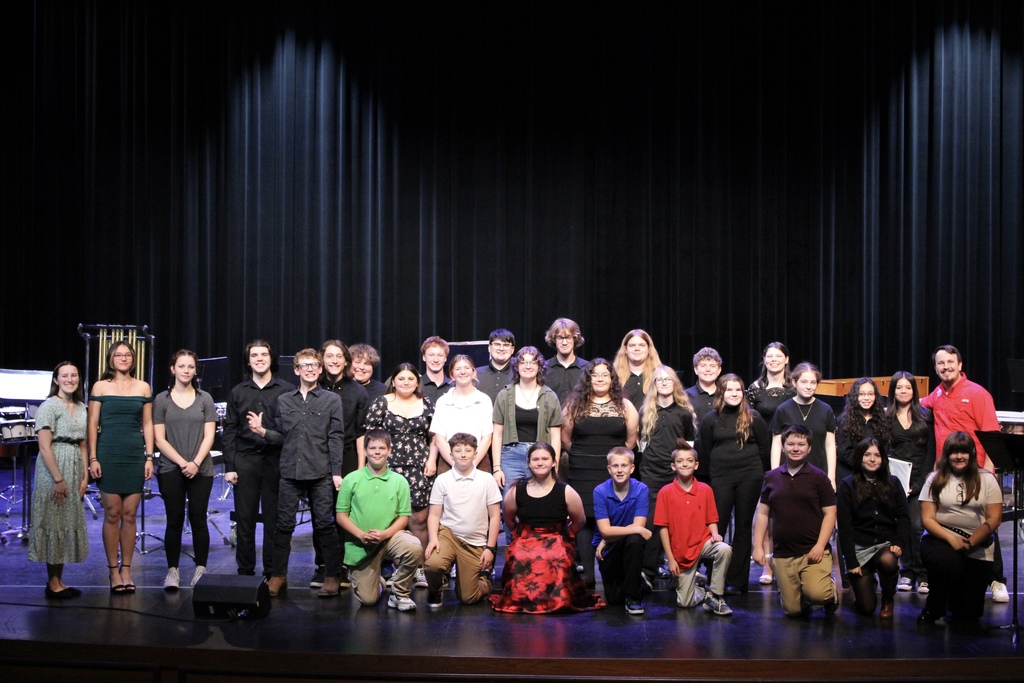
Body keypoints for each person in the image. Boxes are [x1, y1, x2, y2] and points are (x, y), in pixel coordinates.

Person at [250, 349, 345, 598]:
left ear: (320, 369)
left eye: (315, 365)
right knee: (283, 525)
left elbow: (336, 437)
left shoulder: (330, 400)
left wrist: (336, 472)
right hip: (290, 471)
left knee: (325, 524)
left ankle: (332, 576)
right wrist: (262, 432)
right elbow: (282, 436)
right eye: (305, 365)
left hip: (320, 472)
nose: (310, 369)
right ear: (296, 370)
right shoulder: (285, 400)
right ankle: (278, 576)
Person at [920, 345, 1007, 603]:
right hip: (945, 474)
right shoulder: (937, 394)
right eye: (940, 364)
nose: (945, 367)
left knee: (985, 523)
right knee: (950, 521)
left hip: (976, 472)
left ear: (960, 365)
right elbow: (914, 403)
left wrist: (989, 471)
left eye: (949, 362)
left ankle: (997, 579)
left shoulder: (977, 393)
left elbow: (991, 434)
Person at [490, 442, 605, 613]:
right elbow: (508, 519)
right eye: (535, 459)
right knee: (519, 553)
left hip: (556, 537)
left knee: (556, 554)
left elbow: (579, 521)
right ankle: (522, 599)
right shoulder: (517, 490)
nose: (540, 462)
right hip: (526, 538)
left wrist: (564, 536)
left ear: (553, 462)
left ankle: (556, 601)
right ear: (529, 463)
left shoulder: (566, 491)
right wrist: (523, 535)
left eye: (545, 458)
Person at [562, 358, 639, 587]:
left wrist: (617, 464)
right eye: (595, 375)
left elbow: (631, 440)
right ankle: (588, 575)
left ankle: (612, 573)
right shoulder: (575, 405)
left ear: (612, 379)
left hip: (613, 471)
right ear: (588, 379)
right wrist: (582, 455)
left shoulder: (625, 405)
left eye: (605, 375)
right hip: (582, 468)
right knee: (586, 519)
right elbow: (566, 438)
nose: (600, 379)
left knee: (612, 516)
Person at [221, 340, 294, 578]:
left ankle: (273, 573)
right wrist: (230, 467)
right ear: (248, 360)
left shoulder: (285, 390)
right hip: (246, 461)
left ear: (272, 358)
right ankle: (245, 572)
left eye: (264, 354)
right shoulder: (238, 392)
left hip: (275, 461)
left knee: (274, 521)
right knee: (245, 521)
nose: (259, 358)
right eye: (254, 355)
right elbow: (230, 431)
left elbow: (289, 431)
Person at [360, 363, 436, 587]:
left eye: (410, 379)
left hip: (419, 467)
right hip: (388, 467)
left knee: (418, 519)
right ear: (393, 381)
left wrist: (432, 459)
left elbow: (435, 436)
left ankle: (419, 568)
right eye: (401, 379)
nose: (405, 383)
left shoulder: (427, 403)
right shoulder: (382, 403)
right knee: (392, 519)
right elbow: (369, 436)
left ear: (417, 382)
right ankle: (398, 569)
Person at [87, 341, 154, 594]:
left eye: (127, 355)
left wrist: (149, 457)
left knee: (129, 513)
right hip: (108, 453)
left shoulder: (143, 387)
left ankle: (127, 568)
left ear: (133, 359)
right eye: (118, 354)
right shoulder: (100, 386)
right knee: (112, 513)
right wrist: (93, 458)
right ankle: (113, 571)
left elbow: (148, 425)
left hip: (134, 454)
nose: (123, 358)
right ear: (110, 359)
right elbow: (92, 424)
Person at [917, 431, 1003, 625]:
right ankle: (935, 606)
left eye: (963, 452)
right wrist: (952, 539)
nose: (958, 456)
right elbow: (927, 519)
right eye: (954, 452)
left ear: (971, 454)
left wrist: (972, 542)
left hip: (978, 543)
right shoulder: (934, 478)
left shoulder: (987, 479)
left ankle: (954, 600)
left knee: (968, 614)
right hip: (940, 538)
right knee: (947, 562)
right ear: (946, 455)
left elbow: (994, 518)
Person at [753, 425, 839, 617]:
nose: (795, 448)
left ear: (809, 448)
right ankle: (803, 592)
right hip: (783, 553)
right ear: (783, 446)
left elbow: (830, 514)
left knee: (817, 594)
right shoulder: (771, 477)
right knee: (793, 611)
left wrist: (820, 546)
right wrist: (758, 546)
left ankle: (828, 591)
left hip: (812, 551)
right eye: (790, 444)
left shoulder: (818, 477)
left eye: (801, 444)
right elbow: (763, 514)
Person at [336, 429, 423, 611]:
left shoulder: (399, 481)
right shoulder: (351, 479)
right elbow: (341, 515)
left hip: (389, 538)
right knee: (368, 601)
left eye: (382, 448)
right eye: (373, 448)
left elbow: (403, 516)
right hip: (361, 545)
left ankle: (400, 592)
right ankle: (379, 583)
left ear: (389, 451)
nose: (377, 452)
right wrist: (360, 534)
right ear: (365, 451)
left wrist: (385, 534)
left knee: (413, 546)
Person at [699, 374, 770, 593]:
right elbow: (706, 450)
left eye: (738, 390)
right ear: (721, 393)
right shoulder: (710, 419)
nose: (734, 394)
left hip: (750, 475)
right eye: (729, 390)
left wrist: (756, 470)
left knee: (742, 527)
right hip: (720, 476)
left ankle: (738, 581)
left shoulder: (753, 417)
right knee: (717, 526)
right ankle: (715, 577)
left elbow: (763, 449)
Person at [153, 350, 217, 590]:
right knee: (174, 520)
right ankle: (173, 572)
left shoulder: (204, 398)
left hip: (201, 468)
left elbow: (210, 435)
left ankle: (201, 569)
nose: (186, 371)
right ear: (173, 369)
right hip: (171, 468)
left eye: (191, 366)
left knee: (199, 519)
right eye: (182, 366)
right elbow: (159, 439)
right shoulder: (162, 399)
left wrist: (195, 463)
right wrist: (182, 463)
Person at [311, 339, 369, 589]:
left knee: (343, 512)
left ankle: (343, 566)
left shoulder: (357, 391)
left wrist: (360, 467)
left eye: (339, 356)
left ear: (346, 361)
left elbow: (360, 433)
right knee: (320, 514)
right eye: (329, 356)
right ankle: (323, 565)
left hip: (346, 456)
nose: (334, 360)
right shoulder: (313, 386)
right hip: (317, 455)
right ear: (322, 360)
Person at [29, 362, 89, 599]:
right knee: (53, 520)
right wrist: (58, 479)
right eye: (64, 375)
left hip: (74, 464)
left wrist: (84, 474)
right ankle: (52, 583)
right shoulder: (48, 406)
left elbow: (83, 443)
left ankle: (59, 581)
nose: (70, 379)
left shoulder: (82, 407)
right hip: (53, 467)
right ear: (56, 380)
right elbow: (44, 446)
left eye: (74, 375)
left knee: (65, 521)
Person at [423, 433, 502, 607]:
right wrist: (433, 539)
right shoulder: (442, 480)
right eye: (458, 450)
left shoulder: (486, 479)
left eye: (468, 450)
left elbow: (495, 516)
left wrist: (490, 548)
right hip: (449, 535)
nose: (463, 454)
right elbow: (434, 514)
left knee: (468, 597)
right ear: (451, 455)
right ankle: (435, 590)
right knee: (433, 565)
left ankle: (485, 580)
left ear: (475, 453)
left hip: (474, 541)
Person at [654, 445, 734, 616]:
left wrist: (714, 533)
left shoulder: (705, 489)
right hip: (681, 551)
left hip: (702, 542)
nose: (685, 464)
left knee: (724, 549)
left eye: (689, 461)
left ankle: (714, 595)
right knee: (685, 603)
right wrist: (670, 559)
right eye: (680, 461)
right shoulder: (665, 492)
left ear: (696, 465)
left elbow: (711, 519)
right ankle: (701, 590)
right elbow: (663, 527)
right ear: (673, 466)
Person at [836, 439, 911, 618]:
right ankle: (867, 585)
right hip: (859, 548)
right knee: (866, 608)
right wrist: (852, 561)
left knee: (888, 560)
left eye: (877, 455)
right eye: (867, 455)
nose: (872, 459)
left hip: (884, 544)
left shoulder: (893, 482)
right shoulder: (848, 484)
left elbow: (904, 517)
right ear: (859, 458)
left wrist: (899, 542)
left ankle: (888, 597)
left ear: (883, 459)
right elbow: (844, 526)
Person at [637, 365, 697, 581]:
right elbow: (641, 445)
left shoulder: (683, 413)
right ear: (653, 384)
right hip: (651, 474)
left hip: (676, 476)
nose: (663, 382)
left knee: (679, 523)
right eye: (659, 379)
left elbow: (689, 445)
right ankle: (648, 571)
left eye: (668, 379)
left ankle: (681, 570)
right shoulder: (646, 412)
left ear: (675, 384)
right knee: (653, 522)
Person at [884, 371, 935, 594]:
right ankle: (906, 573)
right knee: (900, 528)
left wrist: (922, 480)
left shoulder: (925, 415)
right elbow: (884, 450)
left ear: (914, 391)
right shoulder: (886, 416)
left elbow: (931, 451)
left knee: (917, 527)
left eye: (907, 387)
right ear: (893, 391)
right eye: (899, 387)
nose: (903, 391)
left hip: (920, 478)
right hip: (896, 480)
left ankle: (923, 575)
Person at [491, 347, 562, 496]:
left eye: (532, 362)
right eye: (523, 362)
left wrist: (554, 466)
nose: (527, 366)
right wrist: (497, 468)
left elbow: (556, 436)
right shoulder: (504, 395)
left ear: (539, 367)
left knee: (538, 501)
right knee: (509, 502)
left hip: (540, 457)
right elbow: (497, 434)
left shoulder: (550, 396)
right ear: (517, 366)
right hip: (511, 457)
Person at [593, 447, 650, 614]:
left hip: (628, 546)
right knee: (615, 599)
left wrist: (609, 534)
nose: (619, 470)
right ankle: (639, 581)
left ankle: (634, 598)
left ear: (632, 468)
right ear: (609, 469)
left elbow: (638, 526)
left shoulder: (641, 489)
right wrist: (605, 538)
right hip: (607, 550)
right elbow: (605, 531)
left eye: (624, 466)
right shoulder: (600, 491)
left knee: (634, 539)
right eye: (615, 466)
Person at [770, 362, 837, 489]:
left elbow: (830, 446)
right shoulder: (783, 409)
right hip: (789, 474)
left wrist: (831, 477)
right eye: (804, 382)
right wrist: (775, 474)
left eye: (813, 382)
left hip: (818, 472)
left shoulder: (825, 409)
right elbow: (777, 445)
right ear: (794, 383)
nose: (809, 386)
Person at [430, 355, 493, 475]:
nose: (463, 372)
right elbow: (439, 438)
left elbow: (487, 437)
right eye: (458, 369)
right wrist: (457, 465)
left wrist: (471, 465)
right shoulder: (443, 401)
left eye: (467, 368)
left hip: (478, 461)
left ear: (474, 373)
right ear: (452, 375)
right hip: (448, 462)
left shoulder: (484, 400)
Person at [835, 378, 890, 485]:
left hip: (876, 476)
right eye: (862, 394)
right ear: (855, 397)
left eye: (870, 394)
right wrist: (866, 464)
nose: (866, 398)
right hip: (851, 475)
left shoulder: (882, 420)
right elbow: (844, 452)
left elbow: (885, 449)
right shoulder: (844, 420)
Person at [746, 342, 796, 438]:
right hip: (762, 441)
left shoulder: (795, 388)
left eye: (778, 356)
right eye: (770, 356)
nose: (774, 359)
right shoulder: (755, 388)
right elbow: (748, 421)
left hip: (790, 443)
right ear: (764, 360)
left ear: (786, 359)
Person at [612, 329, 663, 412]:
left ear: (649, 349)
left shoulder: (659, 375)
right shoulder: (614, 376)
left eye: (642, 345)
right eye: (632, 345)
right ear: (625, 350)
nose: (637, 349)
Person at [543, 317, 589, 404]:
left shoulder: (587, 368)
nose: (564, 343)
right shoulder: (544, 368)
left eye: (568, 337)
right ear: (554, 340)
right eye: (560, 338)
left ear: (574, 339)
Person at [475, 329, 516, 402]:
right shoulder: (475, 374)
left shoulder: (519, 375)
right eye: (497, 344)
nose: (501, 349)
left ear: (512, 349)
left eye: (506, 345)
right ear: (489, 347)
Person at [686, 347, 723, 425]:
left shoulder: (724, 395)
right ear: (696, 370)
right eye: (703, 365)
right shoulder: (685, 396)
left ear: (719, 370)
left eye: (712, 366)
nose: (708, 369)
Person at [420, 335, 454, 404]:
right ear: (424, 357)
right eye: (431, 355)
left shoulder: (454, 386)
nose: (436, 360)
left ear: (445, 358)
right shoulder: (416, 385)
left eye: (440, 355)